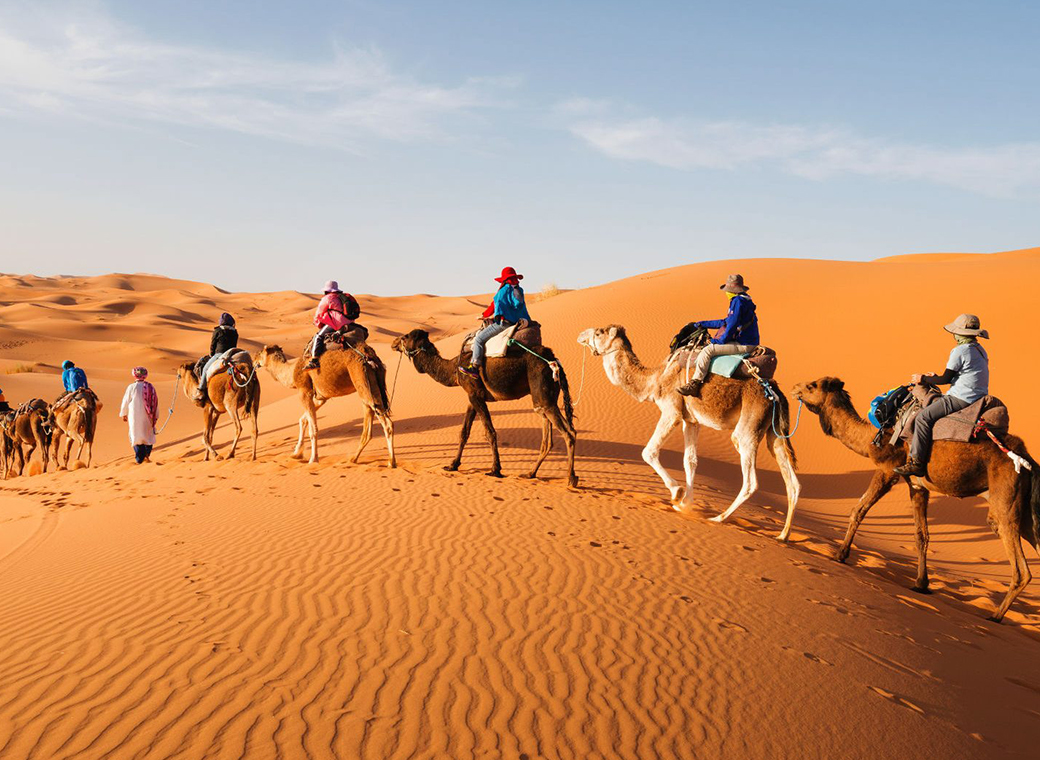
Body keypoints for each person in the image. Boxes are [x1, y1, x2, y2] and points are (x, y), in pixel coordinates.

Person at [894, 313, 990, 477]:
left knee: (923, 418)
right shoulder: (979, 349)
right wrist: (934, 377)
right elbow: (959, 374)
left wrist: (922, 378)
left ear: (959, 334)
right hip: (977, 395)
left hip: (962, 397)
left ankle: (916, 463)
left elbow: (946, 379)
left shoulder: (960, 351)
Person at [677, 274, 760, 397]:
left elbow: (731, 325)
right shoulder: (744, 300)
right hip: (748, 341)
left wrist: (720, 341)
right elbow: (726, 322)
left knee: (708, 350)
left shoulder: (737, 302)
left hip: (744, 344)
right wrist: (703, 324)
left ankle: (695, 383)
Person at [459, 267, 531, 378]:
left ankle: (474, 367)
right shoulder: (519, 290)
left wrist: (484, 315)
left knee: (478, 339)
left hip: (505, 324)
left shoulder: (503, 291)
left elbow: (495, 305)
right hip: (518, 322)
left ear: (504, 279)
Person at [307, 281, 359, 369]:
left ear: (326, 291)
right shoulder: (341, 297)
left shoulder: (328, 298)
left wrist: (317, 323)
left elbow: (319, 314)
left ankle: (314, 360)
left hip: (337, 324)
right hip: (350, 323)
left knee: (318, 336)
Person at [192, 313, 239, 402]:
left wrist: (212, 355)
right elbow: (234, 345)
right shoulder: (234, 332)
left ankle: (201, 391)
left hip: (219, 355)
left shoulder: (217, 331)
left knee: (205, 369)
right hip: (231, 354)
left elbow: (212, 345)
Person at [120, 366, 159, 464]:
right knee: (148, 436)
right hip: (148, 416)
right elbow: (155, 402)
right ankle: (146, 456)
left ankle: (140, 459)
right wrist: (156, 416)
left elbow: (126, 400)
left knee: (136, 435)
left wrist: (124, 413)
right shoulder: (150, 387)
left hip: (134, 416)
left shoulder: (131, 387)